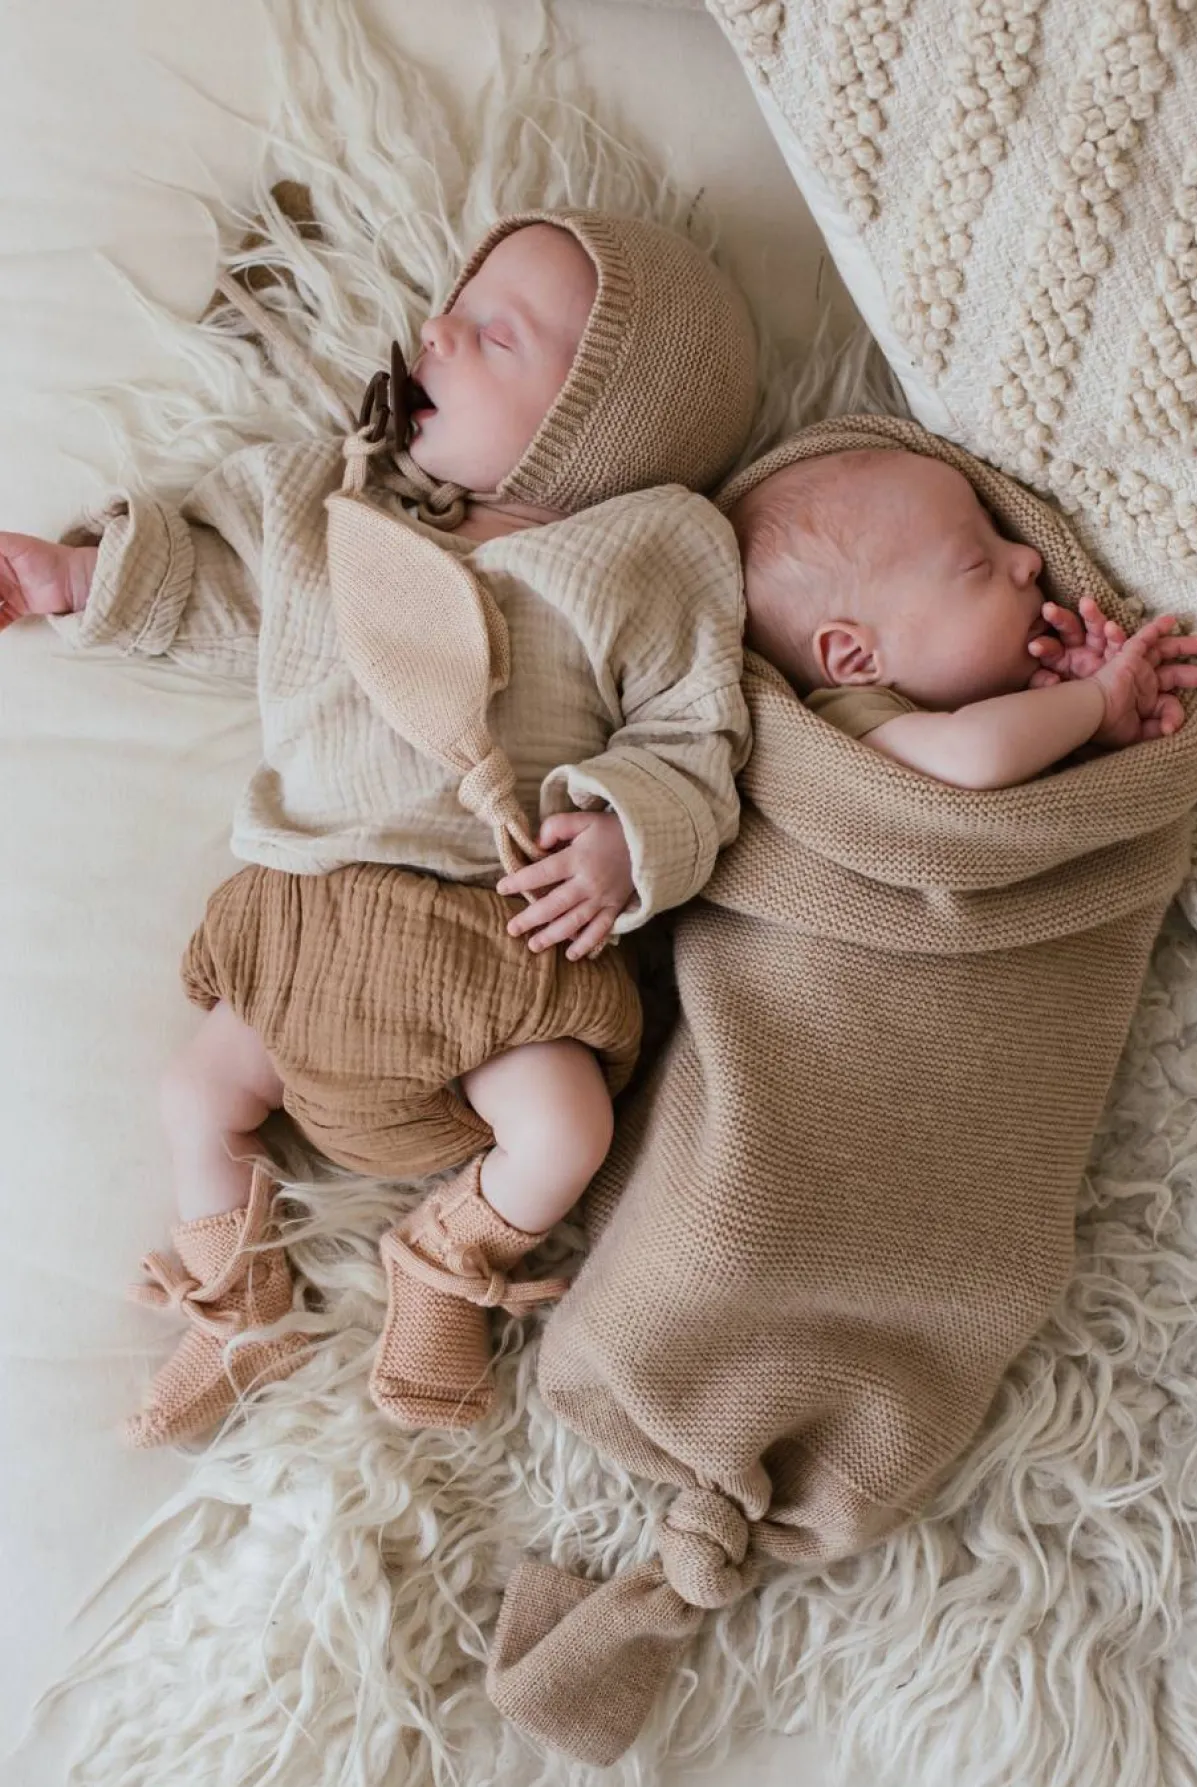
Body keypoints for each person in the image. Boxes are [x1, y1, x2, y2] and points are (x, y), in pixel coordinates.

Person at [0, 208, 758, 1444]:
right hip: (312, 914)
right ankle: (240, 1310)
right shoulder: (335, 515)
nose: (436, 331)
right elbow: (218, 596)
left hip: (491, 940)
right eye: (455, 303)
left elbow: (695, 734)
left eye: (496, 334)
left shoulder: (636, 560)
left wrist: (627, 838)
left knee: (566, 1126)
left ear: (597, 423)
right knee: (197, 1095)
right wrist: (76, 579)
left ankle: (444, 1260)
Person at [729, 446, 1197, 782]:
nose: (1028, 559)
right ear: (856, 658)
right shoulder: (850, 724)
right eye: (977, 564)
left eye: (999, 533)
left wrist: (1096, 733)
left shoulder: (951, 708)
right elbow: (980, 754)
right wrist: (1095, 698)